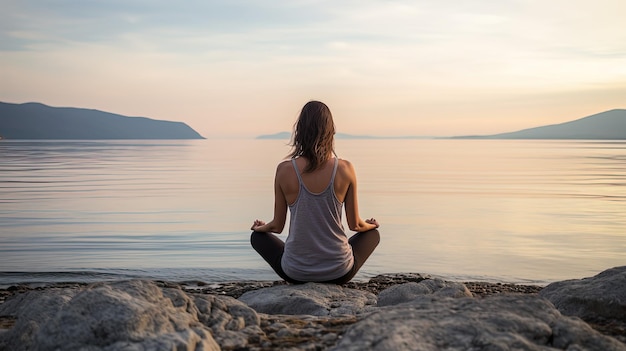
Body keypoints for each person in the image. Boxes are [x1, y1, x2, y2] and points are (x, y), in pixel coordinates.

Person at [250, 100, 380, 284]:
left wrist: (260, 228)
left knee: (257, 238)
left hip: (296, 273)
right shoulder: (345, 168)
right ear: (331, 131)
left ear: (299, 131)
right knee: (373, 235)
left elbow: (277, 226)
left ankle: (302, 262)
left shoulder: (284, 170)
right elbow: (356, 226)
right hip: (339, 273)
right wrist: (371, 226)